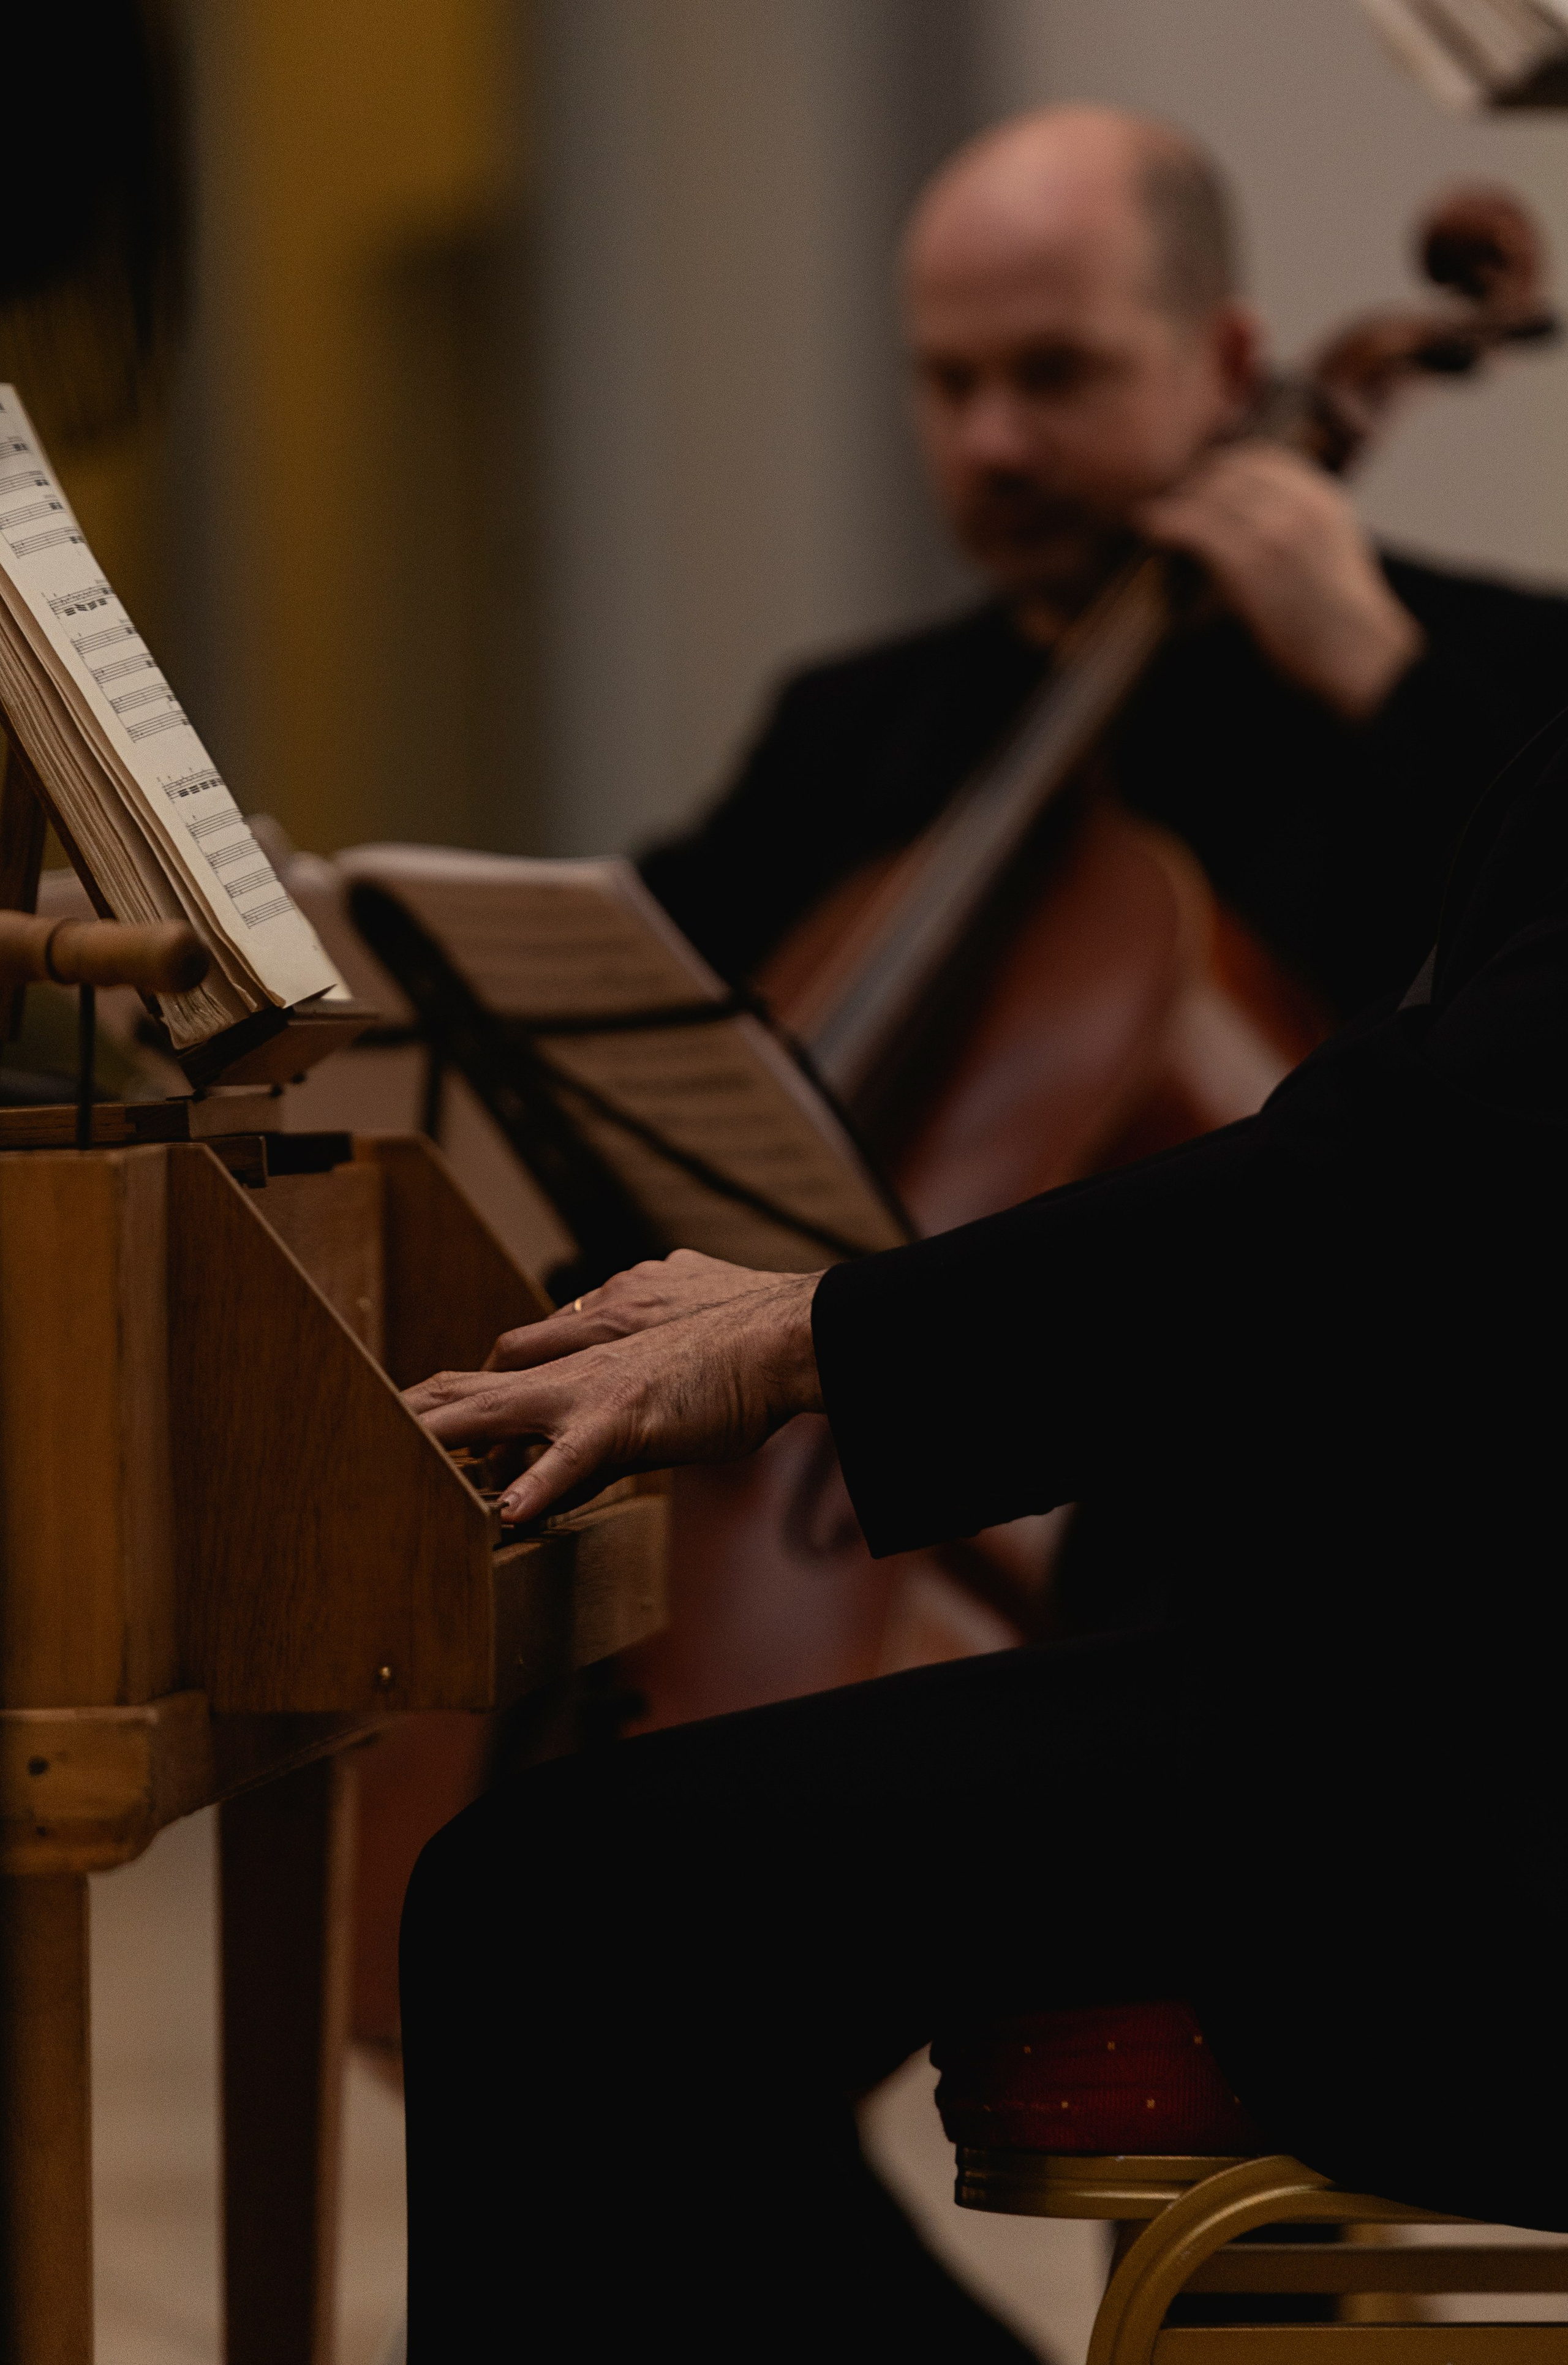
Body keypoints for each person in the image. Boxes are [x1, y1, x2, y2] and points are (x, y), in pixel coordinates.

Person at [398, 681, 1568, 2352]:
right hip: (1423, 1646)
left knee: (551, 1921)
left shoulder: (1408, 676)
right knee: (623, 1935)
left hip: (1485, 1757)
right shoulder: (881, 707)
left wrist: (808, 1338)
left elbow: (1410, 1184)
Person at [641, 104, 1568, 1028]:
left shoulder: (1520, 670)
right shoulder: (838, 733)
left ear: (1228, 364)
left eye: (1057, 372)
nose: (992, 445)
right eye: (950, 381)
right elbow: (621, 991)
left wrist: (1382, 675)